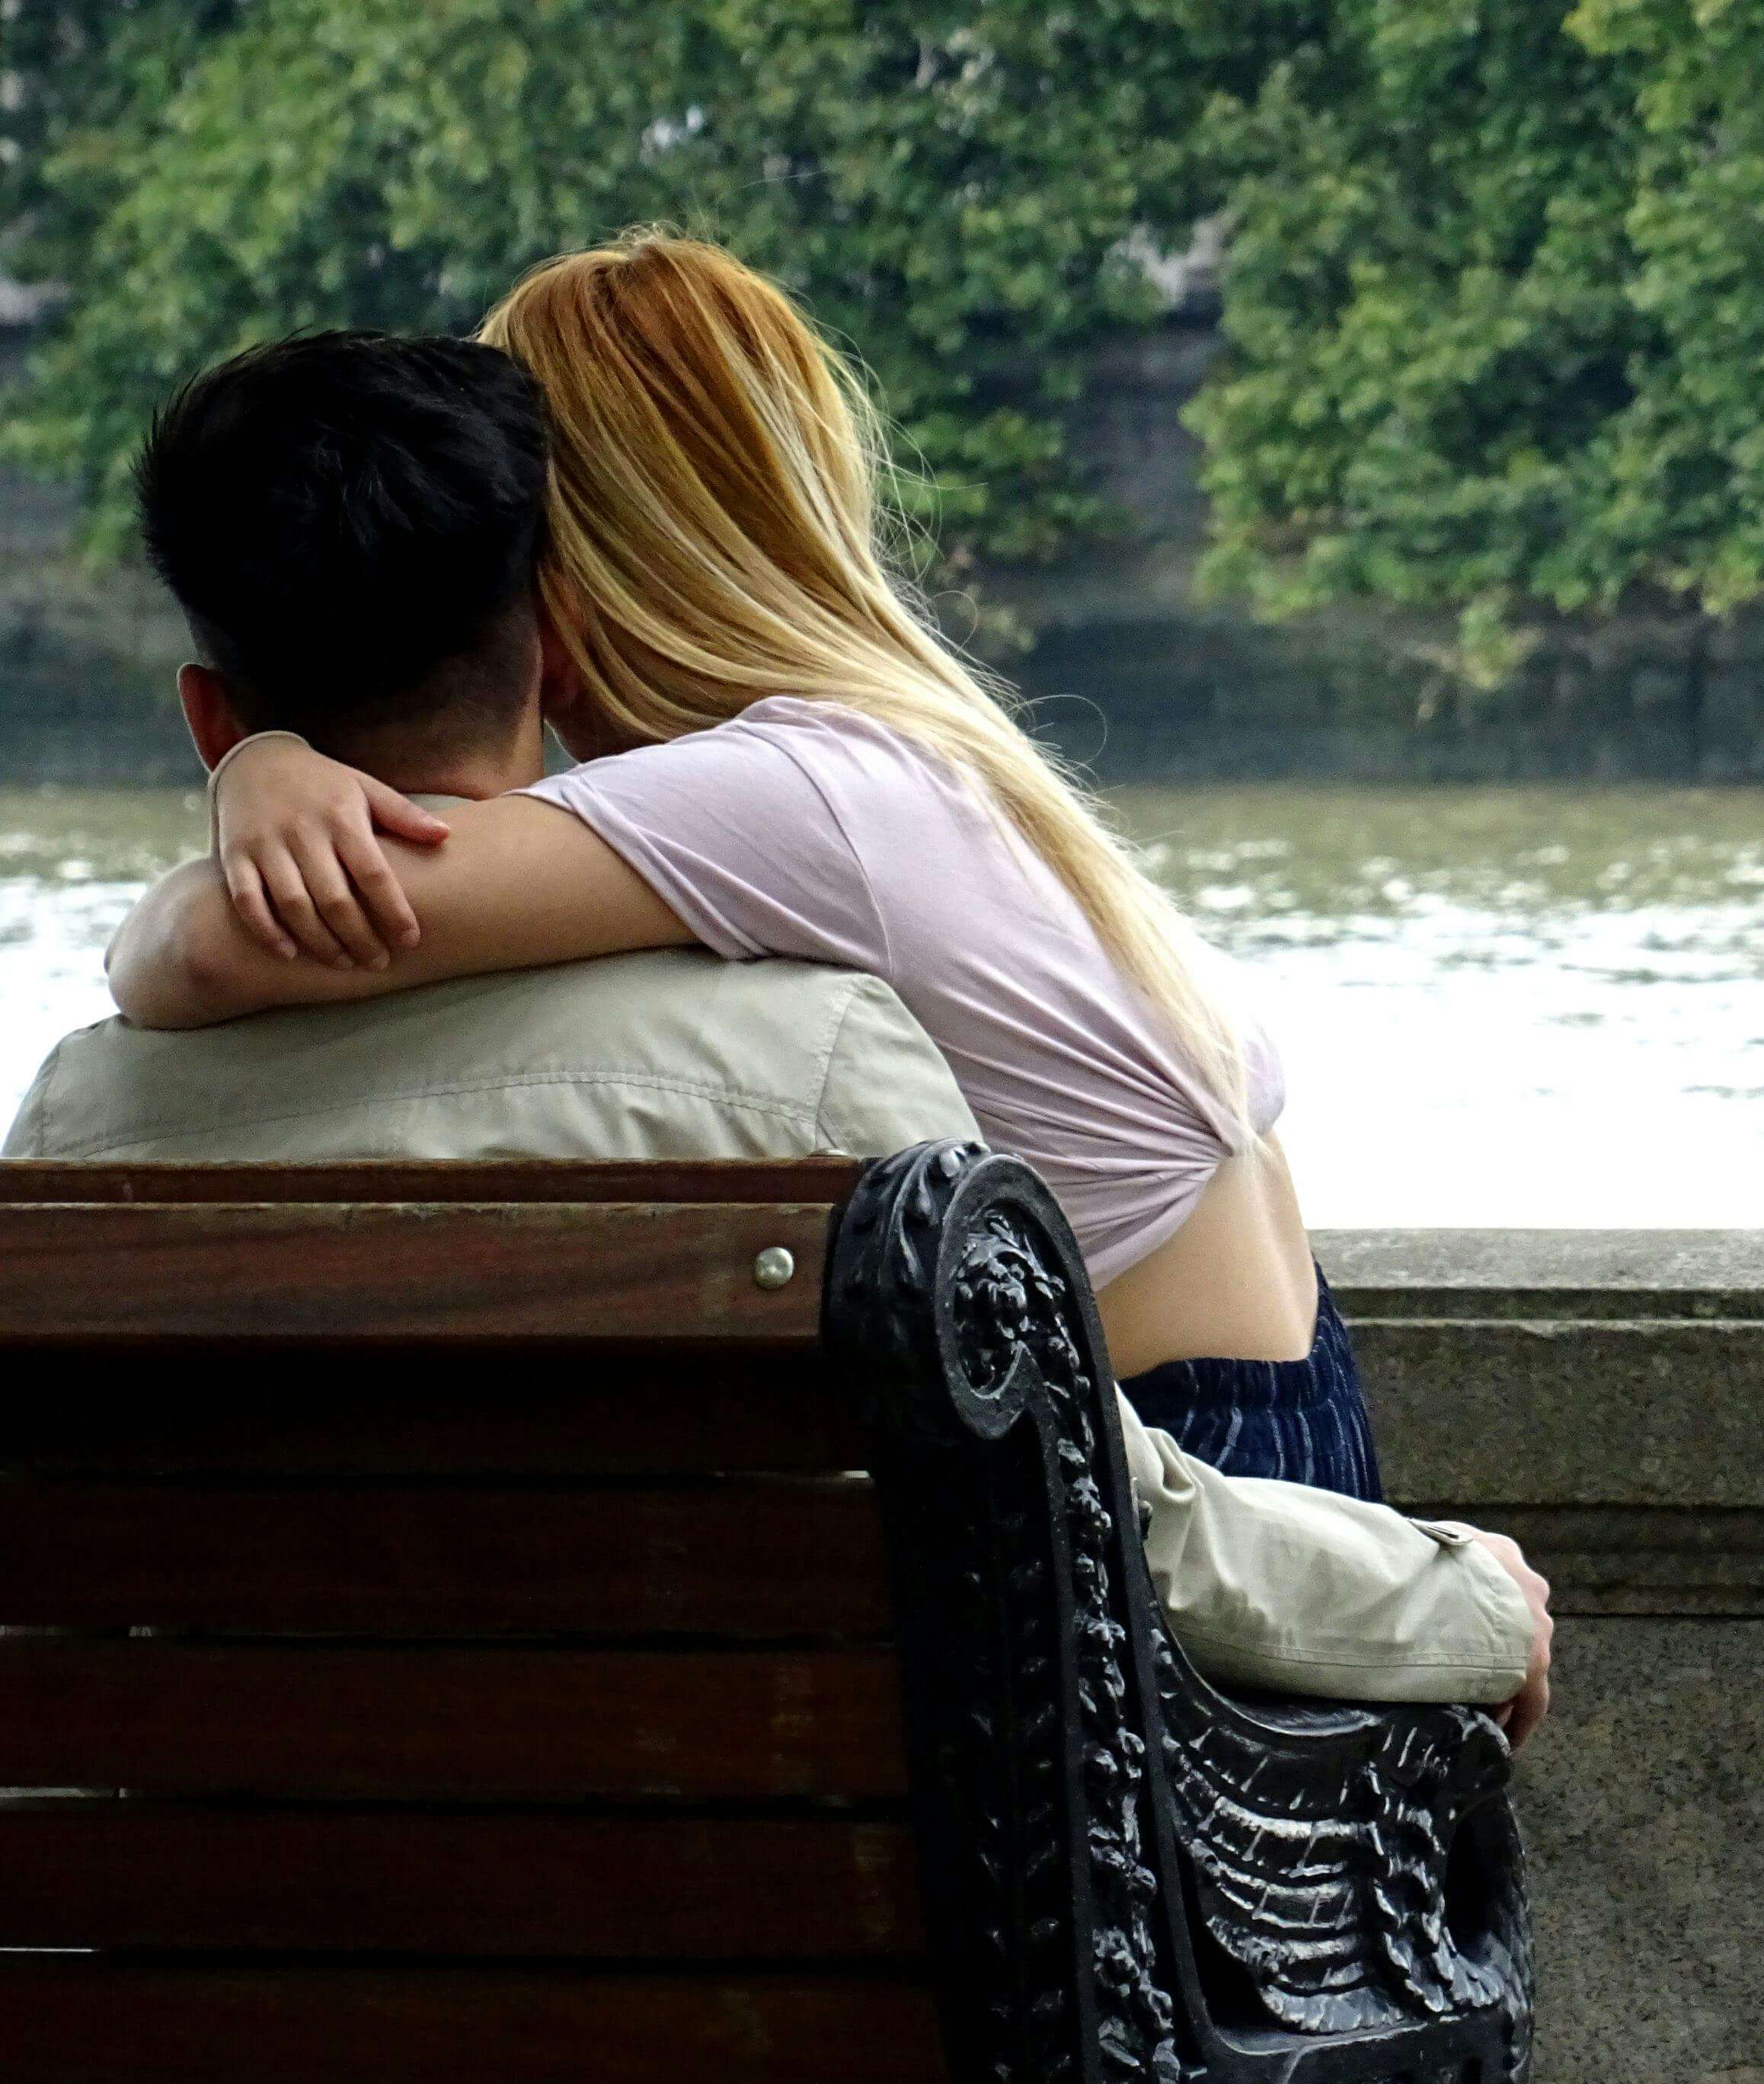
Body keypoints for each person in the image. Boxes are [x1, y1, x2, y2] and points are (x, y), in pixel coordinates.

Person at [34, 328, 1551, 1742]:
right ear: (556, 642)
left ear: (206, 716)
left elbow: (201, 951)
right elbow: (1099, 1515)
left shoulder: (72, 1129)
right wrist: (1455, 1603)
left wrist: (251, 781)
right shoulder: (806, 1057)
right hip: (934, 1755)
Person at [109, 232, 1369, 1499]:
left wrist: (256, 765)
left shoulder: (773, 798)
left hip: (1180, 1489)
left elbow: (205, 953)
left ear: (558, 588)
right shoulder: (889, 754)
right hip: (1257, 1437)